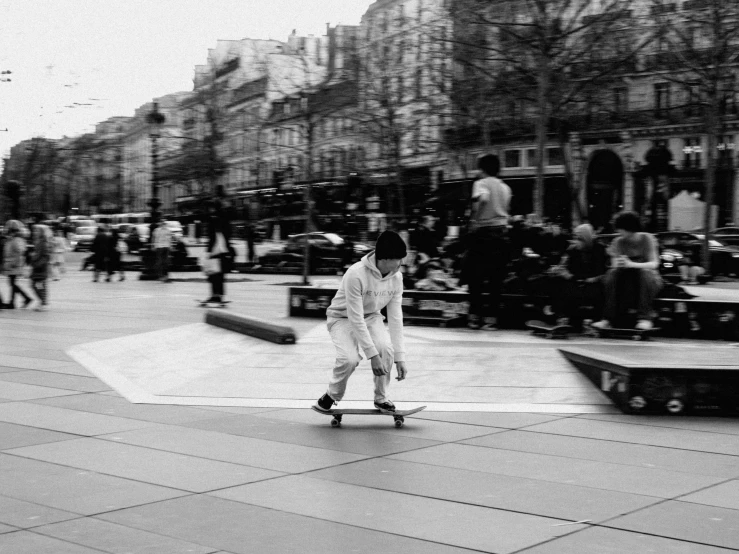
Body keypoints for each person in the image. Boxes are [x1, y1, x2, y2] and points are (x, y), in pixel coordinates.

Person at [314, 230, 409, 413]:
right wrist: (372, 356)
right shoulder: (356, 274)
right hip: (342, 318)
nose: (400, 264)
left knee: (385, 349)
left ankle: (381, 398)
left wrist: (400, 357)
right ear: (385, 259)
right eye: (398, 259)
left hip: (371, 316)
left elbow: (396, 318)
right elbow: (355, 318)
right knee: (349, 359)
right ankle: (332, 395)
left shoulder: (397, 278)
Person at [462, 153, 512, 330]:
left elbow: (483, 198)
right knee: (495, 279)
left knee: (475, 277)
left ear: (482, 169)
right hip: (502, 234)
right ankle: (491, 320)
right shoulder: (505, 188)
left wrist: (474, 220)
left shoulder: (481, 183)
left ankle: (474, 317)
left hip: (484, 234)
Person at [593, 211, 663, 331]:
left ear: (629, 228)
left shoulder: (647, 238)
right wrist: (618, 263)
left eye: (621, 229)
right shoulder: (618, 241)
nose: (618, 232)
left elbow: (654, 264)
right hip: (626, 276)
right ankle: (607, 319)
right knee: (611, 274)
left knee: (644, 273)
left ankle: (645, 318)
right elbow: (614, 264)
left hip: (649, 278)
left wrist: (632, 264)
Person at [545, 223, 608, 330]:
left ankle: (596, 320)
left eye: (579, 239)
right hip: (576, 281)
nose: (576, 241)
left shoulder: (600, 249)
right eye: (575, 238)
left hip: (593, 283)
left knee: (598, 288)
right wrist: (558, 270)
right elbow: (563, 267)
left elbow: (602, 272)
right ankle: (561, 317)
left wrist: (574, 277)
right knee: (557, 282)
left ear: (586, 239)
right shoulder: (572, 250)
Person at [3, 220, 33, 309]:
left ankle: (25, 298)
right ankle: (13, 302)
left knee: (12, 283)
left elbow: (20, 252)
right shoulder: (12, 239)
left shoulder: (17, 240)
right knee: (12, 283)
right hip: (11, 265)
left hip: (14, 265)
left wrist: (15, 263)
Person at [29, 224, 52, 311]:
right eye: (34, 231)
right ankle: (42, 302)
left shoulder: (43, 243)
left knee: (40, 285)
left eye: (37, 231)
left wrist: (39, 263)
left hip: (41, 267)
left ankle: (43, 303)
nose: (35, 232)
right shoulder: (37, 242)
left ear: (41, 232)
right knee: (35, 285)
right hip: (36, 267)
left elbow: (46, 256)